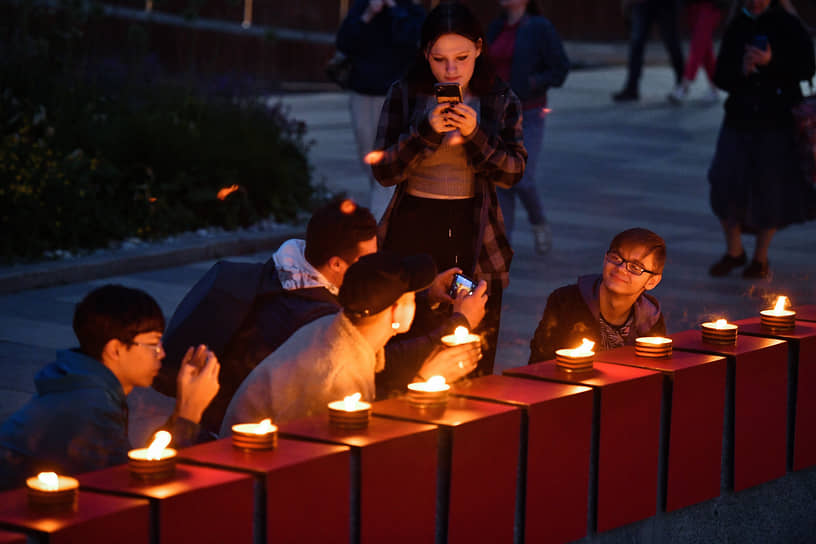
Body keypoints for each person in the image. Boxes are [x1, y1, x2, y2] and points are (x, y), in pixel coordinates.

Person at [158, 196, 486, 433]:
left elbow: (371, 343)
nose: (372, 268)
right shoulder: (314, 323)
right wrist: (459, 324)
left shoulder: (288, 275)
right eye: (366, 261)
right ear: (336, 264)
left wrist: (421, 294)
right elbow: (366, 431)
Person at [370, 2, 527, 376]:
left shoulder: (499, 98)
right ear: (426, 54)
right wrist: (425, 130)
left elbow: (513, 172)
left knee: (469, 347)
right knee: (405, 339)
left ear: (479, 49)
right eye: (440, 59)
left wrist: (475, 135)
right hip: (413, 223)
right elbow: (383, 169)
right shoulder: (406, 92)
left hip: (473, 228)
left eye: (461, 57)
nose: (451, 70)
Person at [221, 252, 480, 431]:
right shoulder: (338, 378)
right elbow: (364, 454)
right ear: (396, 312)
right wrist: (424, 383)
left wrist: (428, 297)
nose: (415, 300)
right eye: (411, 297)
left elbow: (389, 360)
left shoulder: (335, 326)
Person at [0, 285, 220, 490]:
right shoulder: (89, 408)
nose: (162, 353)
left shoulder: (84, 388)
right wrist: (189, 412)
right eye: (153, 344)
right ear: (115, 349)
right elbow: (132, 489)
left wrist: (185, 410)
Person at [707, 0, 816, 279]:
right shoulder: (737, 25)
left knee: (769, 189)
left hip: (775, 119)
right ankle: (734, 251)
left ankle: (760, 258)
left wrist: (771, 63)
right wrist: (740, 70)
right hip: (739, 118)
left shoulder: (787, 23)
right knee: (724, 182)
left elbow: (806, 68)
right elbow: (720, 76)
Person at [487, 0, 569, 254]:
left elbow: (560, 68)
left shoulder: (539, 27)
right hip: (496, 114)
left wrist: (533, 82)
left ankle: (538, 220)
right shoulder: (496, 26)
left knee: (522, 178)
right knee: (501, 179)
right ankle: (503, 244)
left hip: (529, 112)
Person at [336, 0, 426, 221]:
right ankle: (386, 207)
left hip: (397, 96)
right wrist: (368, 14)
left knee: (389, 157)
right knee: (368, 155)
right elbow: (345, 42)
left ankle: (381, 218)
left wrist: (395, 10)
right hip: (363, 92)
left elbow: (410, 42)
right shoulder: (363, 7)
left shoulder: (411, 12)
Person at [528, 228, 666, 363]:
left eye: (635, 267)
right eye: (616, 258)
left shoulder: (650, 319)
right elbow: (540, 362)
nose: (621, 269)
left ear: (652, 281)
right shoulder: (566, 302)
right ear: (605, 259)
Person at [613, 0, 686, 102]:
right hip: (642, 3)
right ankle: (632, 87)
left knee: (671, 42)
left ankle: (681, 84)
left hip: (666, 4)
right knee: (636, 42)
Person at [668, 0, 729, 104]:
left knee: (698, 43)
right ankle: (714, 87)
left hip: (712, 5)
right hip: (693, 6)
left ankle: (685, 85)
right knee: (704, 46)